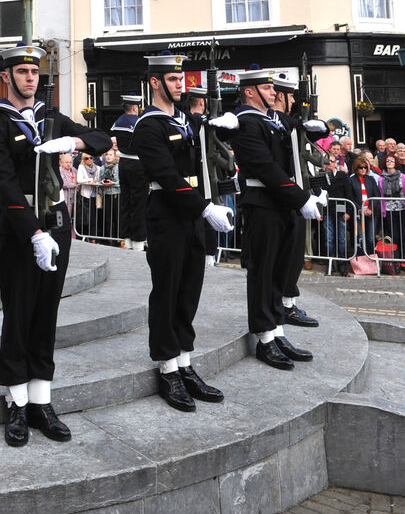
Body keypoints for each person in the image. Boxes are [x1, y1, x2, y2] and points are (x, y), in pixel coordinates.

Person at [0, 42, 111, 446]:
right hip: (21, 229)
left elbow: (101, 138)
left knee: (46, 313)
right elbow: (1, 182)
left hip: (56, 223)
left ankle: (41, 400)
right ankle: (16, 403)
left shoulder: (51, 118)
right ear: (7, 77)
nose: (30, 77)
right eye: (21, 71)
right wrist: (31, 232)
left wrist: (74, 144)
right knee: (19, 313)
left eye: (34, 72)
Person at [130, 52, 234, 412]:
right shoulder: (148, 126)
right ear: (155, 82)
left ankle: (185, 362)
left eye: (181, 79)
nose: (180, 85)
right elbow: (167, 176)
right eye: (173, 80)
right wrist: (205, 208)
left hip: (191, 217)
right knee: (167, 292)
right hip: (167, 217)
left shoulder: (189, 122)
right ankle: (167, 368)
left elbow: (208, 159)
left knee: (189, 292)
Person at [232, 67, 321, 370]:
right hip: (262, 205)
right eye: (267, 89)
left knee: (279, 273)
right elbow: (265, 167)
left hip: (281, 204)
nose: (274, 93)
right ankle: (264, 338)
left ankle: (277, 331)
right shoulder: (245, 123)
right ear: (249, 91)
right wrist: (300, 198)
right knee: (263, 272)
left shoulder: (272, 121)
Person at [271, 72, 326, 328]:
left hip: (299, 192)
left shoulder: (290, 122)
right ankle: (282, 305)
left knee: (294, 255)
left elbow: (307, 154)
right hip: (288, 195)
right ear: (281, 95)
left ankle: (288, 302)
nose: (293, 100)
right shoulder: (279, 123)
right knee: (288, 254)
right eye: (291, 95)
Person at [111, 93, 147, 250]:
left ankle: (126, 239)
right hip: (138, 164)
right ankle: (138, 241)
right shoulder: (139, 122)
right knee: (139, 204)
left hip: (123, 163)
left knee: (126, 202)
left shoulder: (118, 121)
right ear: (134, 107)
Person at [75, 150, 102, 239]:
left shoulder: (98, 168)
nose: (89, 160)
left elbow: (100, 179)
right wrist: (89, 181)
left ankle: (94, 237)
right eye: (87, 158)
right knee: (88, 217)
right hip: (86, 195)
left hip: (96, 196)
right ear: (84, 160)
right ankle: (89, 236)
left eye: (91, 158)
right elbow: (79, 180)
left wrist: (96, 182)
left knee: (97, 217)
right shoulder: (81, 167)